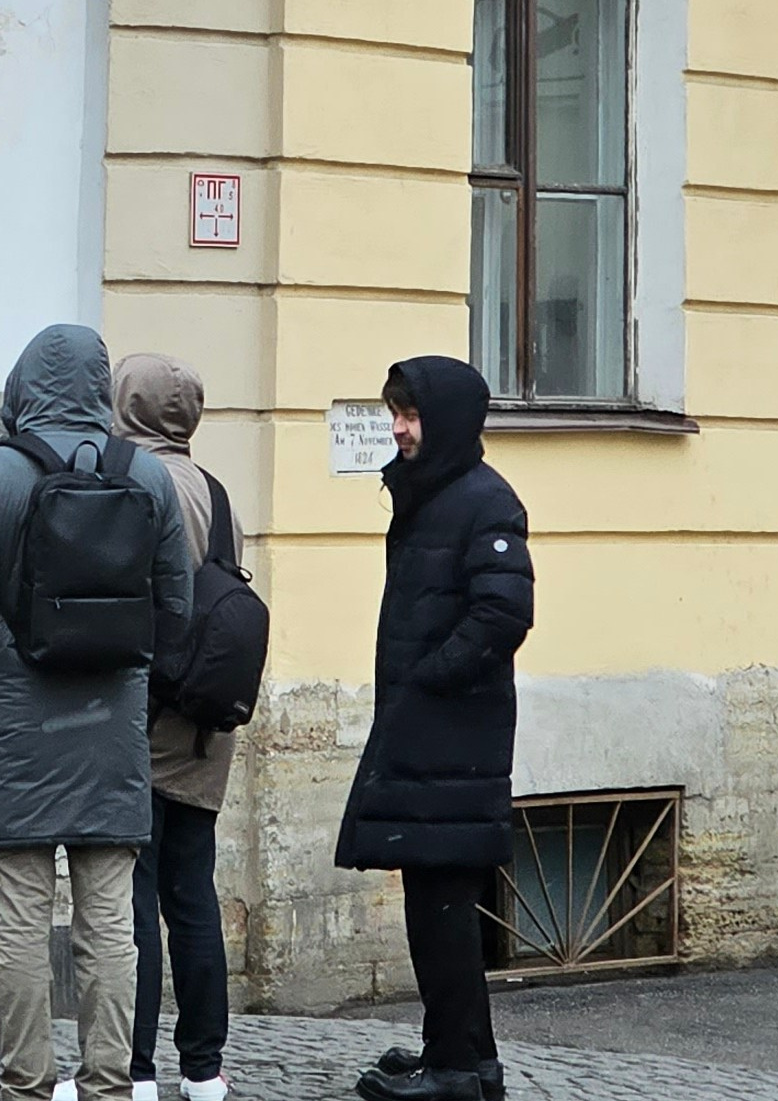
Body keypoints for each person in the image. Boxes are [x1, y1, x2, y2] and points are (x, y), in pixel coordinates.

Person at [0, 325, 194, 1101]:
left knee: (19, 920)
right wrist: (134, 680)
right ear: (99, 386)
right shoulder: (145, 477)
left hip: (16, 722)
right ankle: (110, 1082)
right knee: (110, 921)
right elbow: (176, 607)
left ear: (23, 384)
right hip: (110, 725)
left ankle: (27, 1085)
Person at [336, 357, 533, 1101]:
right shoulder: (434, 494)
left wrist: (431, 677)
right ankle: (463, 1057)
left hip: (454, 736)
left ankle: (456, 1069)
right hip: (427, 732)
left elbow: (504, 613)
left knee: (443, 905)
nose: (397, 427)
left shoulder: (485, 501)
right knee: (435, 900)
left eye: (410, 414)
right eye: (394, 411)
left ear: (445, 418)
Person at [112, 353, 243, 1101]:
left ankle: (134, 1067)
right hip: (205, 724)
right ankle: (204, 1067)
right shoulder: (219, 493)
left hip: (147, 712)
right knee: (193, 896)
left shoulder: (137, 482)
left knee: (133, 896)